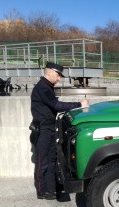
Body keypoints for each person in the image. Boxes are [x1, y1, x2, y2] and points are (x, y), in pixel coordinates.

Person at [30, 62, 89, 200]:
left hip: (49, 128)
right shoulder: (42, 88)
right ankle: (42, 191)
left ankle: (50, 190)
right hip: (43, 129)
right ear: (49, 72)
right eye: (57, 76)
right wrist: (79, 105)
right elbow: (56, 105)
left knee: (51, 159)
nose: (59, 79)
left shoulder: (47, 87)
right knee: (42, 161)